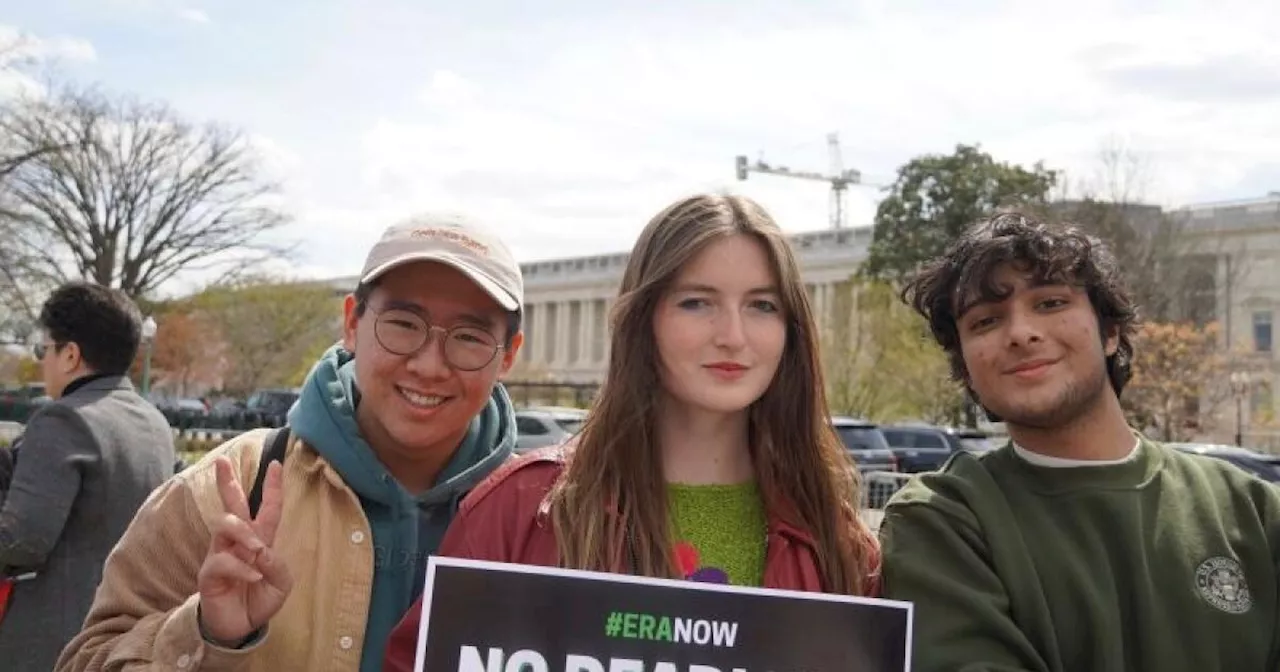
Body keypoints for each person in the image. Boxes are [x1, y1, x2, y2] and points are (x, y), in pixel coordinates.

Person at [382, 193, 882, 671]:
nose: (733, 335)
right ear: (645, 319)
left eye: (762, 306)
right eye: (696, 302)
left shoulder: (839, 545)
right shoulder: (521, 509)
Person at [57, 213, 525, 672]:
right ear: (351, 323)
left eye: (468, 337)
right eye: (403, 324)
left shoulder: (550, 520)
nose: (428, 365)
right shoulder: (230, 487)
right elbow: (85, 659)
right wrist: (205, 634)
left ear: (509, 355)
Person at [877, 212, 1280, 671]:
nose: (1020, 333)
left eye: (1049, 303)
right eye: (986, 321)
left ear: (1110, 332)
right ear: (967, 369)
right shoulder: (944, 519)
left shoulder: (1255, 512)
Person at [0, 281, 177, 671]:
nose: (42, 361)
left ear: (70, 355)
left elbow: (20, 542)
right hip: (125, 638)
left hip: (50, 645)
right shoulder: (154, 423)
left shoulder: (62, 418)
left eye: (43, 349)